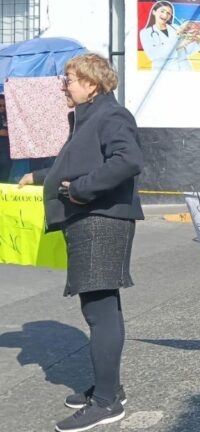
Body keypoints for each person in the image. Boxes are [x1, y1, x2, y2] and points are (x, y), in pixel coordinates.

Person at [18, 54, 144, 431]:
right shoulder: (89, 117)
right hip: (93, 219)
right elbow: (79, 163)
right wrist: (42, 177)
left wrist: (81, 191)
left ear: (92, 85)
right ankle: (111, 388)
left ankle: (106, 404)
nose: (64, 86)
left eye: (69, 79)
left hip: (101, 222)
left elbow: (128, 160)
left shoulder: (110, 115)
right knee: (103, 308)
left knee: (99, 312)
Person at [138, 1, 200, 71]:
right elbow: (154, 55)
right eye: (162, 11)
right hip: (162, 73)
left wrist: (197, 40)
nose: (165, 15)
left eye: (168, 13)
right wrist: (180, 42)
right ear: (154, 12)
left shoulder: (176, 27)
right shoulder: (145, 33)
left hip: (185, 71)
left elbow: (188, 51)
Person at [0, 95, 10, 182]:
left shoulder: (8, 116)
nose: (2, 108)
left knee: (6, 169)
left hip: (6, 149)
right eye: (0, 105)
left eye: (4, 106)